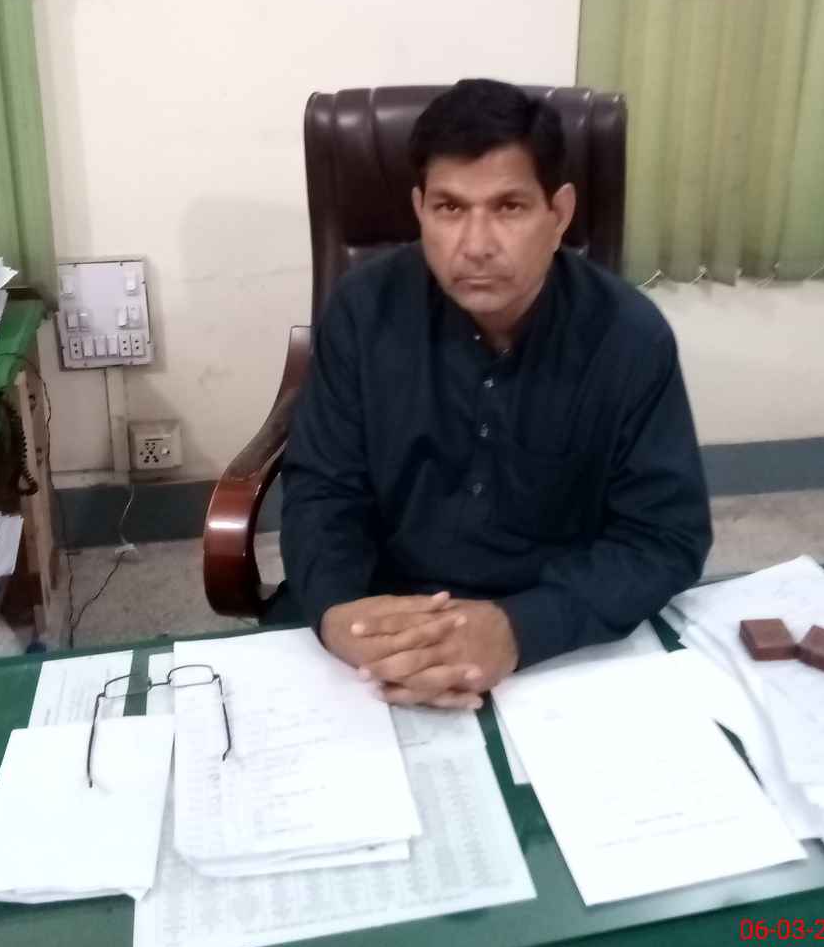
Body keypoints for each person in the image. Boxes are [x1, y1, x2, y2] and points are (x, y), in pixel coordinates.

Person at [274, 78, 711, 708]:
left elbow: (665, 536)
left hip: (551, 636)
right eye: (450, 209)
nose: (476, 246)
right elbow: (322, 489)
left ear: (558, 215)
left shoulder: (629, 337)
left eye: (509, 207)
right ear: (420, 209)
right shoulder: (363, 312)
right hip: (383, 624)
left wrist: (518, 630)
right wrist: (340, 611)